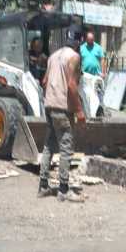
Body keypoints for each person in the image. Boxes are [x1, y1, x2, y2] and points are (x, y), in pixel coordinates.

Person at [37, 34, 86, 203]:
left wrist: (49, 99)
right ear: (78, 43)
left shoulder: (53, 56)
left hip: (49, 106)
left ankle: (43, 186)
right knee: (66, 147)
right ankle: (64, 189)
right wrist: (79, 110)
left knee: (49, 145)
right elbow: (72, 86)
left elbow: (44, 82)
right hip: (63, 108)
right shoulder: (74, 57)